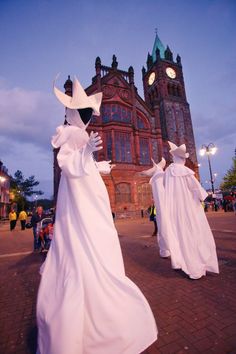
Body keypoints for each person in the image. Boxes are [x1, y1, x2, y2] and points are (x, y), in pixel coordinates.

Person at [36, 77, 157, 354]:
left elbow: (83, 164)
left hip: (89, 194)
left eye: (89, 113)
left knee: (98, 235)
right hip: (80, 199)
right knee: (83, 239)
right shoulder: (69, 134)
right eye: (85, 112)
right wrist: (86, 153)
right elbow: (68, 164)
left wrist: (97, 164)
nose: (88, 118)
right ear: (72, 112)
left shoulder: (80, 135)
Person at [163, 142, 219, 279]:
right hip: (188, 207)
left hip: (174, 208)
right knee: (194, 233)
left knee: (179, 235)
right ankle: (196, 267)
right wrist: (205, 197)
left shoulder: (168, 172)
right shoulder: (185, 172)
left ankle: (182, 262)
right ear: (181, 159)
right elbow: (197, 189)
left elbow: (165, 187)